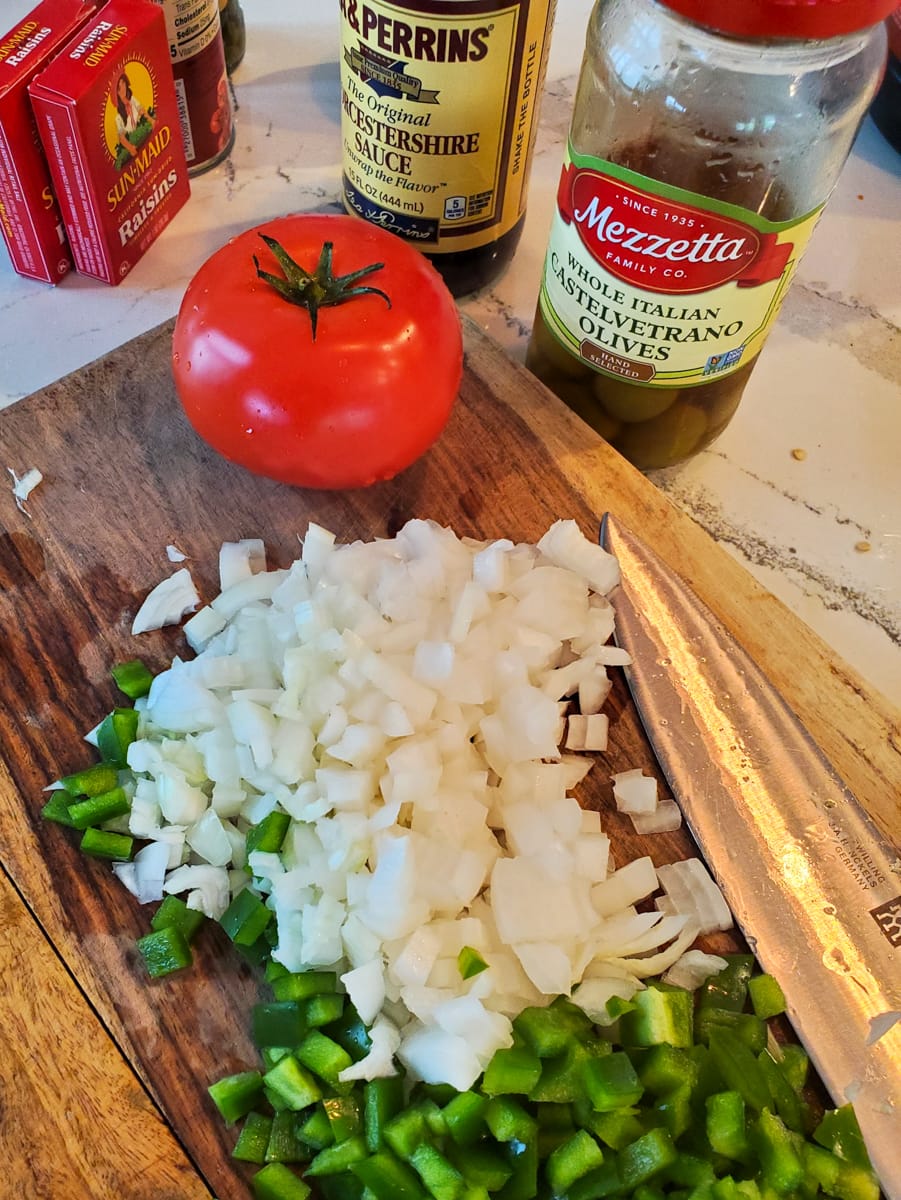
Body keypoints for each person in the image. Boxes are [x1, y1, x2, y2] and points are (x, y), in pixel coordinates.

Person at [114, 72, 155, 159]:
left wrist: (151, 120)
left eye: (123, 83)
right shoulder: (118, 118)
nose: (123, 89)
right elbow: (121, 138)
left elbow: (142, 111)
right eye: (119, 88)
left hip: (144, 135)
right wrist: (131, 148)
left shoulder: (132, 100)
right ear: (116, 92)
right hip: (134, 146)